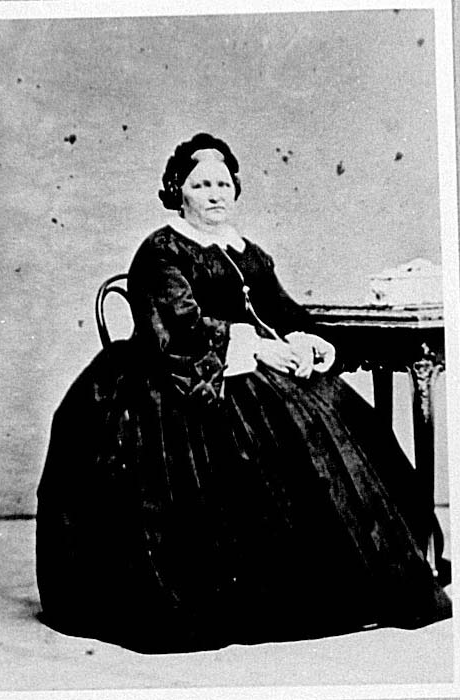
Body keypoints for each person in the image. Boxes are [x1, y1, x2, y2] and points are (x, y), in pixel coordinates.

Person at [36, 133, 451, 654]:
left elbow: (282, 309)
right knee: (265, 445)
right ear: (178, 191)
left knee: (330, 416)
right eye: (201, 184)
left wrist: (304, 339)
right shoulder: (161, 250)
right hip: (178, 382)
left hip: (246, 369)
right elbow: (177, 329)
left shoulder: (246, 251)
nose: (215, 193)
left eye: (223, 183)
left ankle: (375, 569)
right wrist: (256, 349)